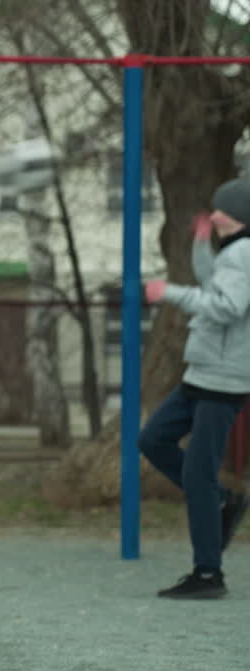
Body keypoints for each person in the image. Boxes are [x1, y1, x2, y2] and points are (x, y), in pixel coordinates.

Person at [141, 177, 250, 600]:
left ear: (238, 216)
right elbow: (212, 284)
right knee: (152, 439)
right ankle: (223, 502)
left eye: (220, 209)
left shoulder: (243, 255)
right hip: (203, 373)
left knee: (197, 472)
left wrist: (168, 292)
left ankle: (209, 574)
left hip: (223, 380)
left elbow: (225, 307)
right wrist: (201, 245)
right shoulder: (233, 254)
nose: (214, 213)